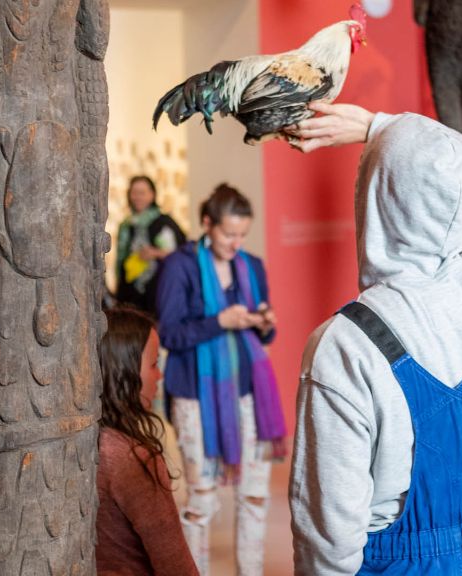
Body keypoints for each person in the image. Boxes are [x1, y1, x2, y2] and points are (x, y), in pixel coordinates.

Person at [288, 103, 462, 574]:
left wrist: (377, 135)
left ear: (373, 198)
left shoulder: (344, 346)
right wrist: (376, 125)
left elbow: (328, 542)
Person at [155, 184, 285, 576]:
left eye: (242, 234)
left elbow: (264, 337)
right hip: (195, 396)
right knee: (202, 501)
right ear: (207, 223)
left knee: (255, 497)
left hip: (250, 394)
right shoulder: (179, 266)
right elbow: (169, 334)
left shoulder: (253, 265)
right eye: (229, 234)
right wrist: (220, 322)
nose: (236, 243)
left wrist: (265, 322)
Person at [96, 308, 198, 576]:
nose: (159, 376)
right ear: (124, 371)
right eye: (154, 364)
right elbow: (175, 565)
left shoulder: (91, 443)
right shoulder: (132, 459)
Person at [115, 175, 186, 314]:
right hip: (130, 294)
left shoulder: (163, 223)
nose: (137, 197)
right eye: (134, 193)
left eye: (142, 193)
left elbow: (180, 253)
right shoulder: (126, 225)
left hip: (157, 291)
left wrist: (155, 253)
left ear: (152, 195)